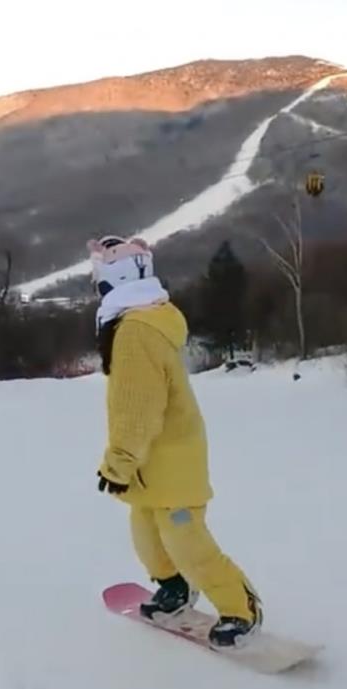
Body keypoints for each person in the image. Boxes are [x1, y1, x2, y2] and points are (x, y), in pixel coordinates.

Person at [89, 234, 263, 649]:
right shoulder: (143, 319)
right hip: (151, 462)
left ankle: (241, 609)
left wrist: (119, 461)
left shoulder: (135, 332)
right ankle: (175, 588)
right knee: (147, 535)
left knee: (186, 541)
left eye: (98, 281)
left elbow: (137, 409)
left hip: (169, 455)